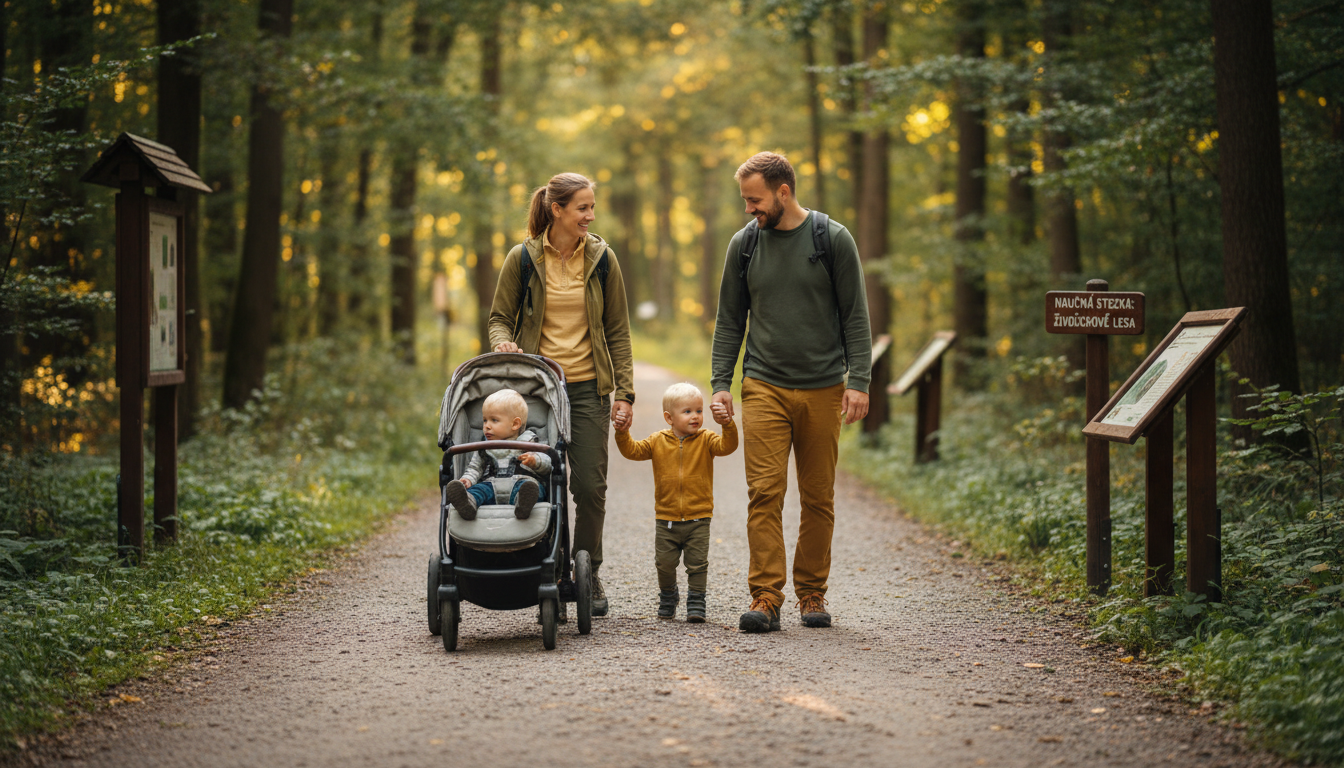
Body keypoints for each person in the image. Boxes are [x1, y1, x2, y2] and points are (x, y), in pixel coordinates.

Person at [709, 151, 873, 633]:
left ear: (783, 192)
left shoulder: (832, 239)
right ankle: (765, 596)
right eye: (745, 200)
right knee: (764, 493)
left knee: (818, 496)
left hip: (824, 387)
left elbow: (855, 316)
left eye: (755, 200)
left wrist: (859, 381)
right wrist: (721, 383)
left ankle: (812, 592)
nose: (748, 209)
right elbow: (729, 321)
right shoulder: (744, 245)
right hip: (764, 385)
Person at [488, 172, 635, 617]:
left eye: (592, 207)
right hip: (538, 391)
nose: (590, 216)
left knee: (590, 487)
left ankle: (588, 570)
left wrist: (625, 391)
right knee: (536, 477)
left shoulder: (603, 259)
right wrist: (502, 342)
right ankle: (544, 569)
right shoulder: (523, 259)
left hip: (589, 389)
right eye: (582, 208)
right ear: (557, 210)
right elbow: (499, 318)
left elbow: (618, 331)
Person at [614, 382, 738, 623]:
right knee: (664, 564)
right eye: (687, 411)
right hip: (666, 519)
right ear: (669, 418)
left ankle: (696, 601)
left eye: (699, 410)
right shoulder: (657, 441)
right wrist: (622, 432)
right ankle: (669, 595)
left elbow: (728, 446)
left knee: (698, 564)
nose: (695, 416)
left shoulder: (707, 439)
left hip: (699, 518)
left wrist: (727, 424)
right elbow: (632, 451)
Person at [444, 389, 550, 521]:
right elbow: (475, 468)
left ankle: (522, 504)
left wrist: (535, 461)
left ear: (515, 424)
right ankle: (468, 504)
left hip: (520, 483)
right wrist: (468, 479)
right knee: (478, 491)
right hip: (490, 486)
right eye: (485, 420)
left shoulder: (528, 442)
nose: (486, 426)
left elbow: (548, 463)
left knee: (534, 489)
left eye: (494, 420)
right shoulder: (483, 447)